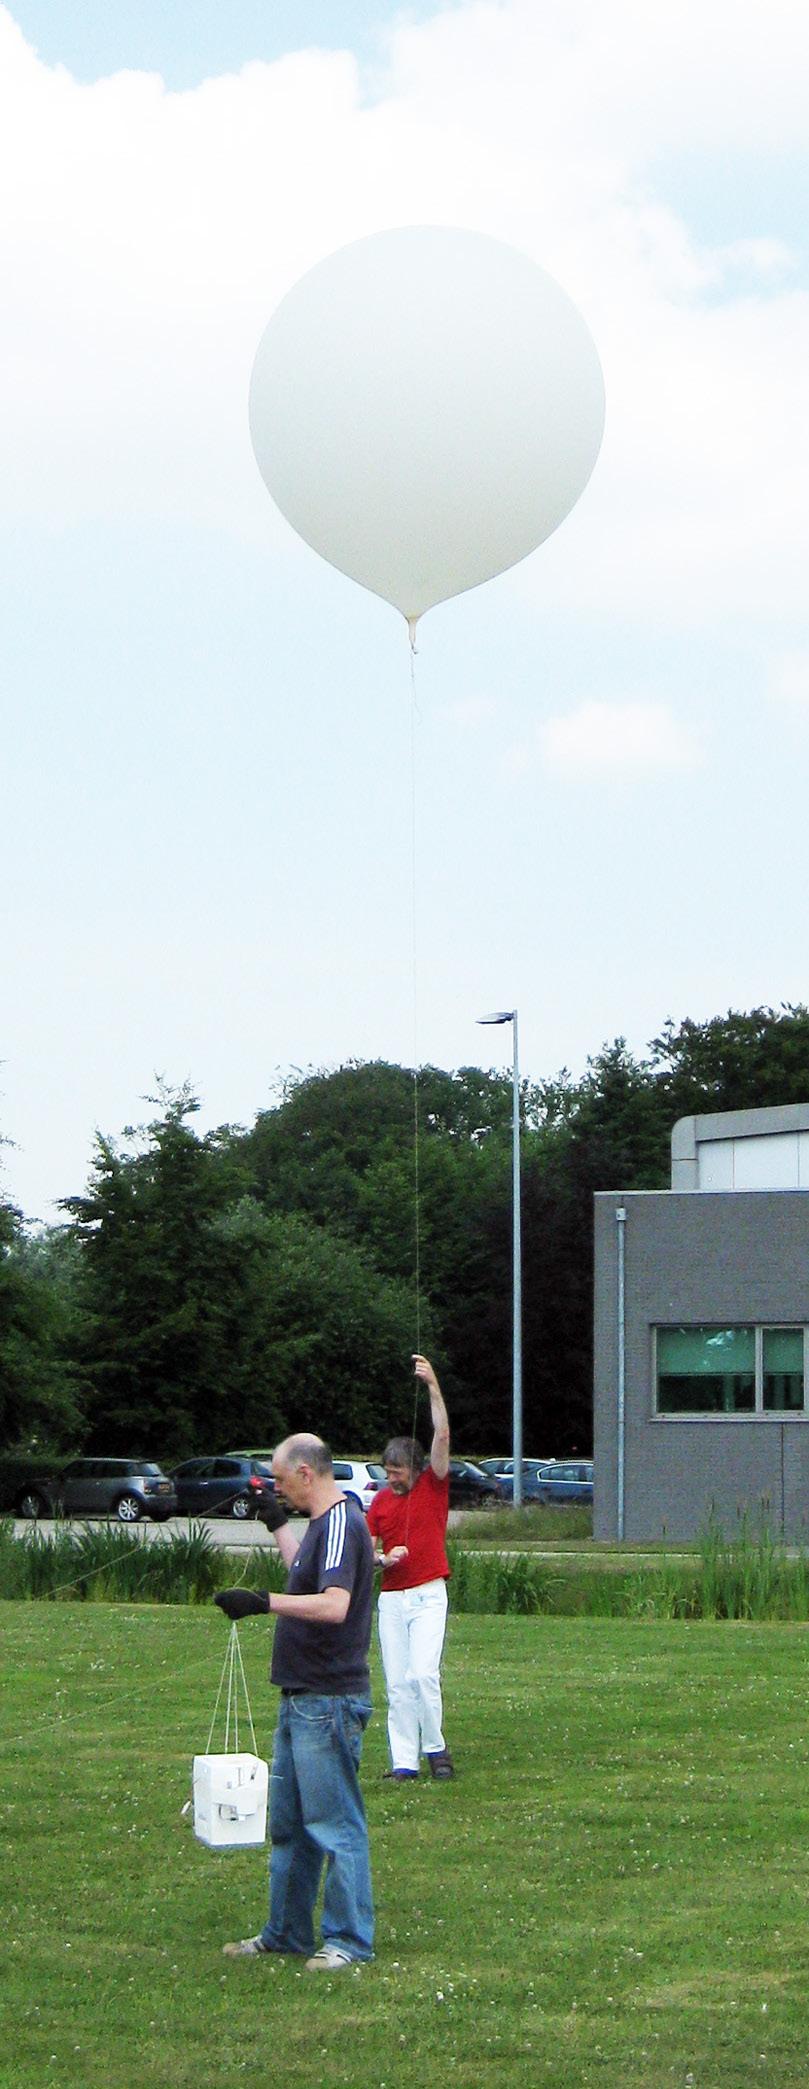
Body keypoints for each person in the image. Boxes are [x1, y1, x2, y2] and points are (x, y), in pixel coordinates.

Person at [214, 1433, 375, 1971]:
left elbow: (332, 1605)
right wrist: (276, 1524)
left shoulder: (339, 1523)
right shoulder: (319, 1527)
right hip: (301, 1695)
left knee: (335, 1824)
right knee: (290, 1826)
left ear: (307, 1474)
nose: (279, 1491)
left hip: (327, 1700)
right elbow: (303, 1575)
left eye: (282, 1483)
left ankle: (349, 1941)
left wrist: (262, 1603)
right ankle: (285, 1933)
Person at [366, 1354, 454, 1781]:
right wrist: (384, 1559)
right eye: (387, 1472)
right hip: (393, 1600)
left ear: (416, 1469)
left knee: (423, 1675)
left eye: (397, 1472)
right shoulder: (380, 1504)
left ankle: (436, 1748)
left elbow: (442, 1433)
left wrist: (433, 1385)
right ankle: (404, 1762)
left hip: (428, 1594)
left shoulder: (435, 1485)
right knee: (397, 1683)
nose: (391, 1479)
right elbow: (367, 1555)